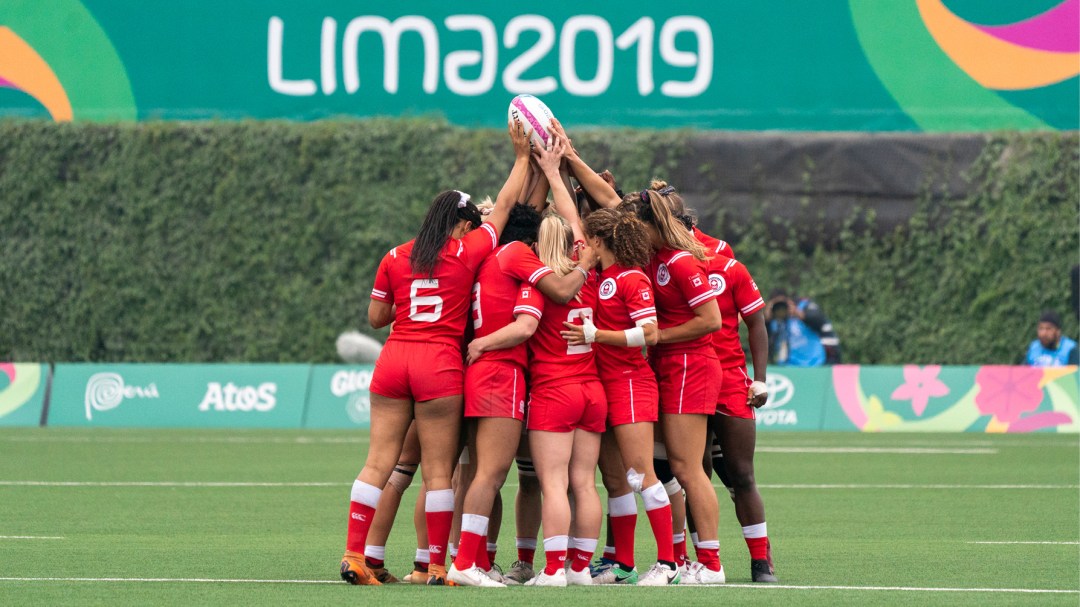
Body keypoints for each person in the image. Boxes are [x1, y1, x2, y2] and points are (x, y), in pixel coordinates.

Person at [338, 119, 531, 586]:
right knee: (440, 473)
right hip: (439, 364)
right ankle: (436, 566)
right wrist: (523, 157)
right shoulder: (468, 251)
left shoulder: (394, 255)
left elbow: (376, 318)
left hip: (394, 359)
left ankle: (354, 555)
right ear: (462, 224)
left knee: (377, 463)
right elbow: (504, 207)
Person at [448, 198, 596, 587]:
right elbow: (527, 326)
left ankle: (466, 560)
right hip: (504, 375)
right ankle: (466, 562)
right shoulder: (520, 261)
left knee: (479, 475)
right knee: (493, 476)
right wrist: (484, 344)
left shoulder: (489, 261)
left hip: (490, 377)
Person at [561, 208, 681, 586]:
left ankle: (669, 565)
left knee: (640, 473)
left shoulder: (632, 278)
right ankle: (624, 565)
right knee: (616, 479)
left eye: (588, 241)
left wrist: (597, 336)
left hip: (630, 383)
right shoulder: (600, 278)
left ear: (598, 242)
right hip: (601, 387)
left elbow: (649, 334)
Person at [623, 182, 726, 585]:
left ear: (651, 225)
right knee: (668, 468)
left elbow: (711, 320)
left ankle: (712, 565)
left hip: (690, 366)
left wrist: (660, 336)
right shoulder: (652, 257)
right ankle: (679, 561)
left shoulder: (680, 262)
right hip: (667, 369)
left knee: (688, 468)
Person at [523, 137, 605, 587]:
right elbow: (574, 221)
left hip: (555, 390)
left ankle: (553, 569)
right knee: (584, 483)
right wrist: (555, 172)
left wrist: (543, 171)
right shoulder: (586, 267)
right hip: (592, 390)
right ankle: (578, 570)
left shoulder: (539, 281)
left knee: (553, 484)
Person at [699, 254, 778, 583]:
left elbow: (756, 321)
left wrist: (759, 379)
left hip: (730, 380)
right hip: (686, 377)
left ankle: (761, 560)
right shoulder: (654, 261)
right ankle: (699, 560)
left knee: (741, 474)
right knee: (693, 475)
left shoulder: (725, 261)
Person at [765, 290, 840, 366]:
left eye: (783, 305)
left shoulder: (803, 307)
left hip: (814, 364)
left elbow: (820, 321)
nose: (780, 309)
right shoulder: (772, 321)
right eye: (777, 307)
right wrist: (766, 320)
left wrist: (798, 313)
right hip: (787, 367)